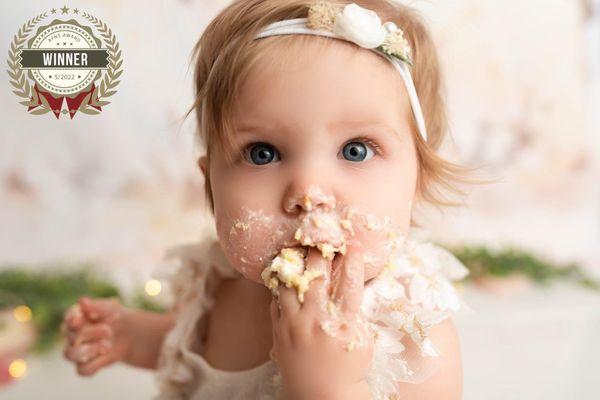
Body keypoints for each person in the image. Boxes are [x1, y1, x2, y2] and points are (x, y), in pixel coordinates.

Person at [62, 0, 487, 398]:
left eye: (355, 150)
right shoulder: (223, 281)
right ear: (211, 183)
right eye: (262, 153)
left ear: (418, 178)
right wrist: (138, 338)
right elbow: (200, 356)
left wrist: (329, 389)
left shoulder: (413, 338)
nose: (308, 191)